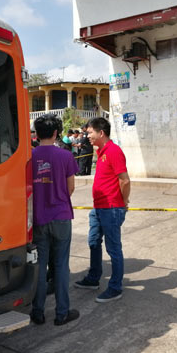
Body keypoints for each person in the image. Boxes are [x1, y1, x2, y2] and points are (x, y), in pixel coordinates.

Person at [30, 114, 80, 325]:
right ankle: (62, 313)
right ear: (55, 133)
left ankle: (37, 312)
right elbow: (70, 188)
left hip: (39, 218)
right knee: (60, 266)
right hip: (60, 216)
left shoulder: (29, 157)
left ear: (37, 133)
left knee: (40, 267)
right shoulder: (65, 156)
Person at [74, 117, 131, 303]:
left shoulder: (114, 151)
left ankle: (115, 287)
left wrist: (123, 203)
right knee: (93, 242)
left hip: (111, 208)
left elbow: (125, 180)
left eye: (90, 132)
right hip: (98, 207)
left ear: (101, 133)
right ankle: (93, 278)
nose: (87, 135)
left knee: (113, 248)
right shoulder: (102, 151)